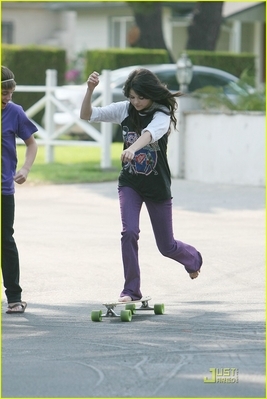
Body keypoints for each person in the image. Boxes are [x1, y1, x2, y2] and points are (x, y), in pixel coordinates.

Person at [80, 68, 202, 302]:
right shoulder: (125, 109)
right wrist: (90, 90)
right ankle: (131, 290)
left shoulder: (162, 113)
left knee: (166, 247)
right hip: (130, 183)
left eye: (141, 97)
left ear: (152, 95)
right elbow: (88, 114)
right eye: (132, 97)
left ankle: (193, 258)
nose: (136, 102)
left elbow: (149, 134)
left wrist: (132, 149)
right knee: (129, 232)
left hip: (157, 187)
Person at [1, 65, 38, 313]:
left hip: (3, 189)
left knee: (5, 241)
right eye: (3, 94)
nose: (7, 98)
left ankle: (14, 297)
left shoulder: (15, 113)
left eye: (10, 94)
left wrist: (25, 169)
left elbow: (31, 144)